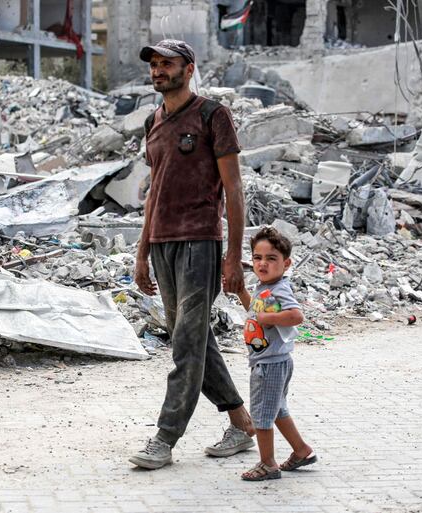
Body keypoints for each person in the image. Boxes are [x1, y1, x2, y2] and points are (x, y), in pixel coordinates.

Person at [129, 39, 256, 470]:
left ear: (189, 68)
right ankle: (242, 423)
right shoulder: (153, 121)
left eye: (168, 64)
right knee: (195, 337)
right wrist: (142, 252)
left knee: (185, 343)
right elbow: (152, 194)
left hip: (200, 242)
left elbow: (234, 189)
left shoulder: (212, 115)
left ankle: (164, 439)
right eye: (155, 65)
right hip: (161, 244)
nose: (159, 71)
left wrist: (233, 256)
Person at [233, 227, 316, 481]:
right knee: (277, 410)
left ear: (286, 263)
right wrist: (241, 293)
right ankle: (301, 450)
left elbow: (296, 315)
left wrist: (269, 317)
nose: (263, 264)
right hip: (274, 361)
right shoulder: (263, 286)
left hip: (269, 364)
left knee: (260, 415)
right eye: (258, 258)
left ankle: (268, 464)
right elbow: (254, 313)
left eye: (271, 259)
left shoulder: (280, 288)